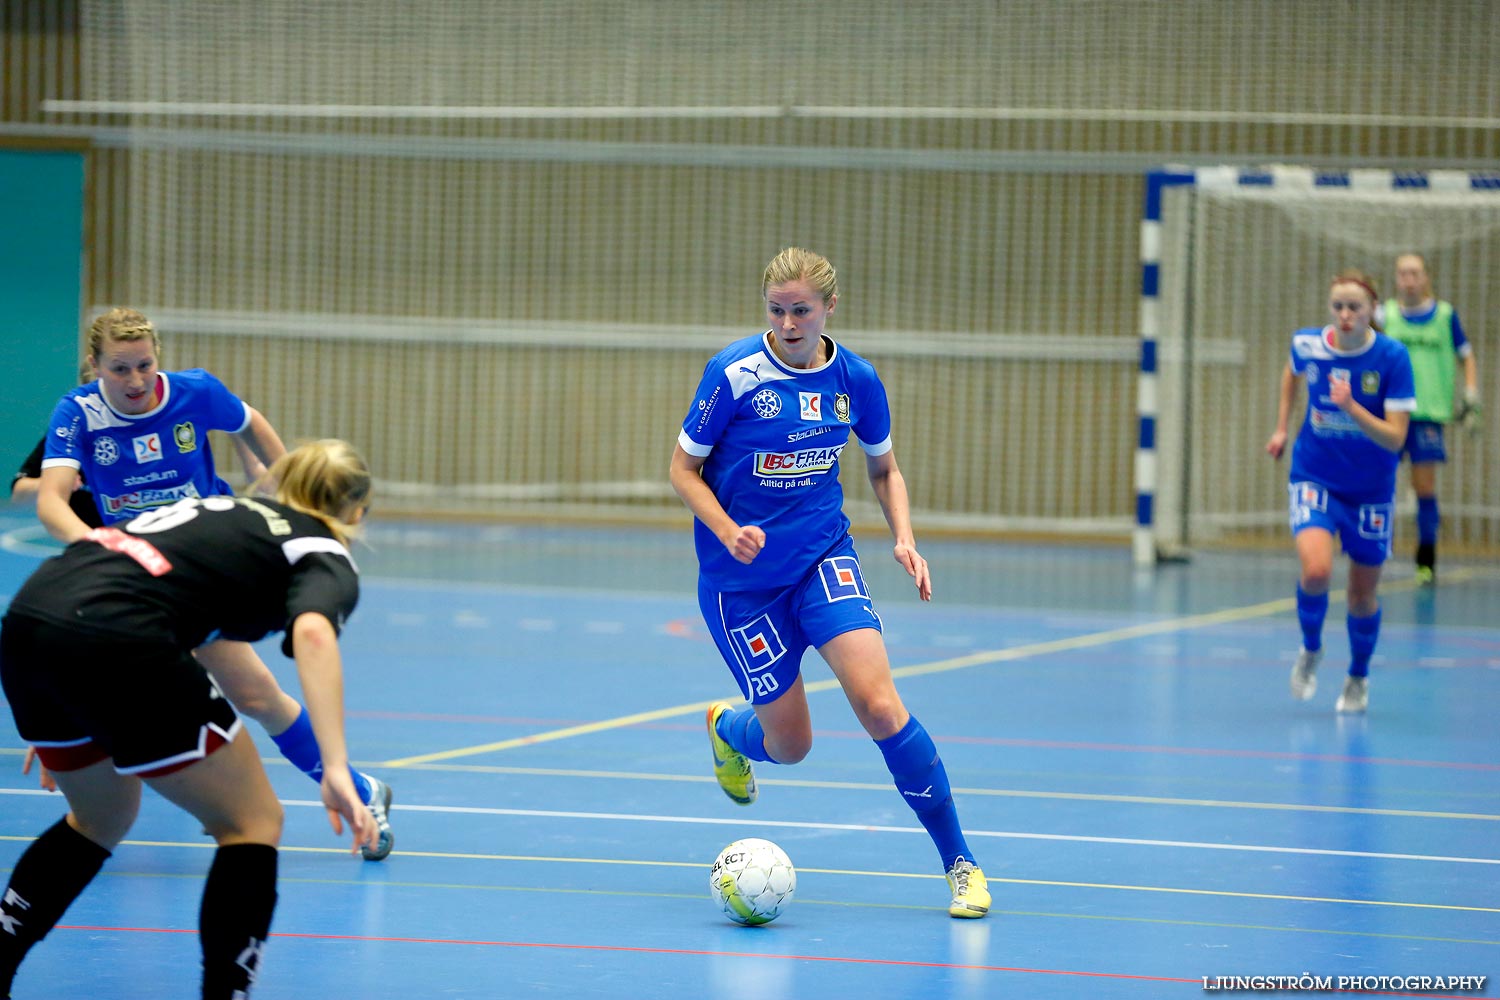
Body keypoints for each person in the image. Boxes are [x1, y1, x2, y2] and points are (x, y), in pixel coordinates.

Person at [668, 247, 989, 918]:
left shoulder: (856, 380)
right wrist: (728, 530)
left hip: (823, 561)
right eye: (777, 311)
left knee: (879, 706)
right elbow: (681, 470)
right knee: (791, 745)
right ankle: (730, 728)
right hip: (742, 585)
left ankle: (961, 864)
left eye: (801, 311)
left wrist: (904, 535)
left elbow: (884, 470)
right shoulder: (732, 375)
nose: (788, 324)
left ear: (829, 309)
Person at [0, 440, 378, 999]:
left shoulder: (220, 511)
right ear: (358, 512)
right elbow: (315, 631)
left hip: (31, 620)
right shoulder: (319, 549)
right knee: (252, 823)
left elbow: (139, 581)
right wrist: (337, 765)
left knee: (101, 816)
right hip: (116, 639)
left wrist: (74, 699)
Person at [30, 308, 394, 860]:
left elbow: (249, 422)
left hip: (198, 575)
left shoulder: (194, 393)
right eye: (120, 369)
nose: (134, 381)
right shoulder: (78, 414)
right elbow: (51, 499)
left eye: (145, 366)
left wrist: (292, 494)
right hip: (130, 580)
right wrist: (96, 547)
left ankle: (360, 790)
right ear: (95, 367)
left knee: (253, 693)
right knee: (114, 685)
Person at [1265, 269, 1416, 713]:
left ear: (1373, 311)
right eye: (1338, 307)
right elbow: (1292, 373)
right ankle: (1311, 648)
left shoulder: (1392, 357)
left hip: (1370, 490)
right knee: (1315, 572)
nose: (1346, 315)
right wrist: (1280, 427)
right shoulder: (1308, 344)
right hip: (1315, 475)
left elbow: (1395, 438)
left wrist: (1351, 407)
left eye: (1355, 307)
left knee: (1361, 595)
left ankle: (1358, 676)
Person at [1382, 253, 1482, 585]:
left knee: (1424, 486)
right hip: (1390, 412)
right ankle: (1375, 551)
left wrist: (1470, 394)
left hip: (1427, 413)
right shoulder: (1386, 315)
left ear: (1425, 278)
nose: (1408, 279)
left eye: (1414, 273)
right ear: (1396, 279)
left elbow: (1466, 355)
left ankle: (1426, 558)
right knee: (1379, 481)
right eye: (1402, 273)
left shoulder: (1445, 315)